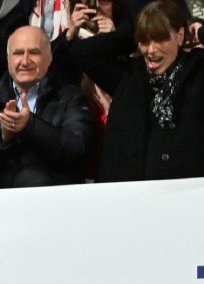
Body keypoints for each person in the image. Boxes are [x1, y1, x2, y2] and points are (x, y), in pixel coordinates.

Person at [71, 0, 204, 183]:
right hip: (132, 193)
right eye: (145, 41)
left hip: (186, 192)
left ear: (180, 36)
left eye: (160, 39)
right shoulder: (129, 75)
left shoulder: (198, 70)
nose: (151, 50)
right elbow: (83, 52)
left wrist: (200, 33)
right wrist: (135, 33)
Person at [0, 25, 95, 187]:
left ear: (49, 58)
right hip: (2, 207)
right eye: (18, 53)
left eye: (34, 52)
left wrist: (30, 125)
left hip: (56, 203)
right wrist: (1, 139)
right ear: (8, 59)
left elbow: (79, 151)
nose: (25, 60)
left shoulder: (71, 98)